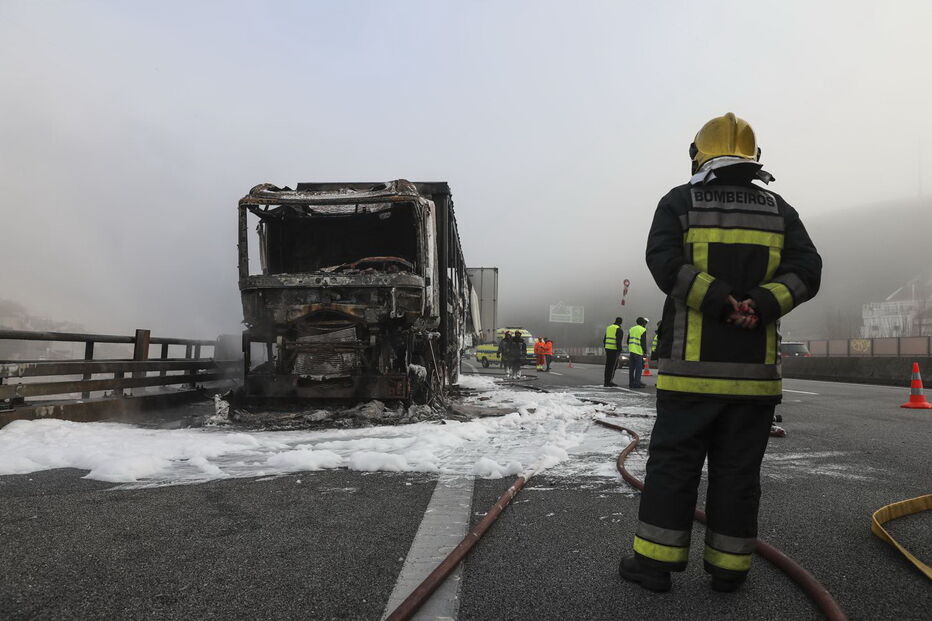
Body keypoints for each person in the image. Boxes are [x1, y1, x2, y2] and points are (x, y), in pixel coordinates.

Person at [619, 113, 821, 594]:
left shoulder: (679, 202)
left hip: (690, 377)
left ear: (699, 154)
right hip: (753, 380)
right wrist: (762, 303)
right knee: (738, 475)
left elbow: (664, 261)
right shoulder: (779, 210)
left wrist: (719, 299)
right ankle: (730, 571)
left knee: (672, 468)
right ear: (754, 158)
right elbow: (808, 270)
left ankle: (655, 567)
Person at [628, 317, 649, 388]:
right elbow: (643, 342)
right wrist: (645, 351)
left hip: (631, 351)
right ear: (643, 322)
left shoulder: (631, 329)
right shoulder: (643, 330)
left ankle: (631, 383)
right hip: (638, 351)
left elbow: (628, 341)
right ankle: (637, 383)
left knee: (631, 368)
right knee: (639, 368)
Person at [603, 317, 624, 387]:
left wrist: (606, 347)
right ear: (621, 322)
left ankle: (606, 381)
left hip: (608, 348)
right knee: (612, 367)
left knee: (608, 366)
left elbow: (604, 339)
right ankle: (609, 382)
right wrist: (619, 350)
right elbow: (618, 341)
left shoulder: (609, 328)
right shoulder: (619, 329)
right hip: (614, 350)